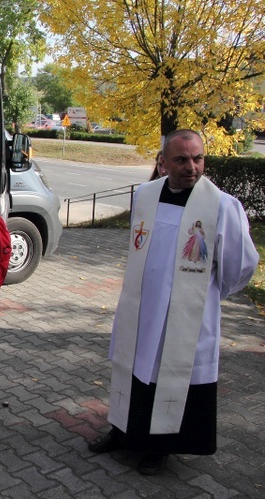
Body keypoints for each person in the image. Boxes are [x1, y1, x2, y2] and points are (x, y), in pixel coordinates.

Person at [88, 129, 258, 474]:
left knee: (170, 376)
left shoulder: (221, 206)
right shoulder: (147, 195)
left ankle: (159, 447)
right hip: (140, 308)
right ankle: (122, 432)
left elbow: (241, 263)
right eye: (181, 159)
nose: (191, 167)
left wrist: (207, 294)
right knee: (132, 370)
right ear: (163, 162)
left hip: (184, 315)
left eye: (197, 158)